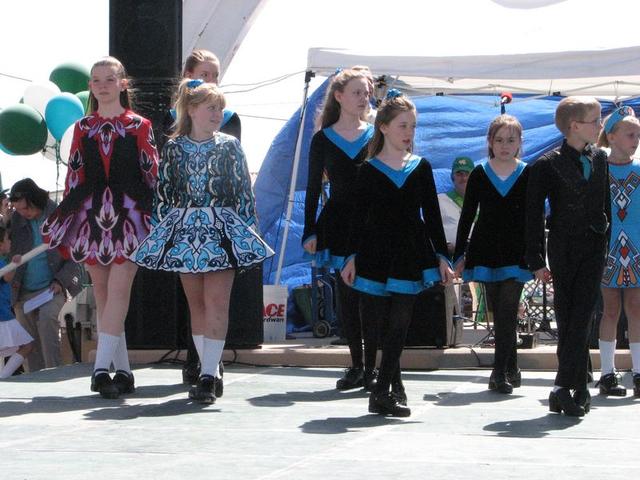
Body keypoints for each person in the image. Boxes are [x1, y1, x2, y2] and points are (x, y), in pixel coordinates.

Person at [134, 79, 272, 404]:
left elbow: (242, 192)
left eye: (220, 108)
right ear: (192, 109)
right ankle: (206, 366)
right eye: (211, 107)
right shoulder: (174, 148)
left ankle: (209, 374)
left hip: (221, 231)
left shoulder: (230, 146)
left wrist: (247, 232)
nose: (217, 113)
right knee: (196, 304)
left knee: (217, 302)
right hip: (185, 233)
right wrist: (162, 235)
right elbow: (164, 195)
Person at [41, 56, 159, 399]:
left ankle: (98, 371)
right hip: (91, 215)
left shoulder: (140, 125)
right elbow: (74, 174)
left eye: (109, 79)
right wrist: (68, 215)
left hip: (130, 215)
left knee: (119, 291)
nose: (102, 84)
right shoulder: (81, 127)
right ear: (91, 86)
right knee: (105, 296)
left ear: (123, 83)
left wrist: (156, 217)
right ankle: (122, 371)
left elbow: (151, 173)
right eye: (96, 79)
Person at [341, 90, 452, 417]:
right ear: (384, 128)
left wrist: (441, 257)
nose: (409, 133)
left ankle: (380, 391)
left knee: (400, 324)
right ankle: (393, 386)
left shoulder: (421, 167)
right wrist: (351, 256)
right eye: (403, 126)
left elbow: (431, 215)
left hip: (409, 253)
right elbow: (357, 220)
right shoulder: (368, 170)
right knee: (377, 324)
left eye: (413, 127)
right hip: (375, 253)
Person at [526, 96, 610, 417]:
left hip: (593, 247)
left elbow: (604, 206)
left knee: (584, 315)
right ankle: (569, 385)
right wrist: (535, 260)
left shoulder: (599, 158)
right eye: (595, 120)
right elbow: (533, 216)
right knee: (568, 314)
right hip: (564, 248)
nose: (599, 126)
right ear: (575, 126)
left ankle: (567, 385)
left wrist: (606, 245)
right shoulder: (547, 164)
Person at [302, 69, 377, 391]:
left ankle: (374, 367)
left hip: (371, 224)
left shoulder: (377, 134)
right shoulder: (323, 139)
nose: (363, 98)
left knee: (371, 297)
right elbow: (312, 188)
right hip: (337, 224)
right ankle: (356, 365)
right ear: (339, 96)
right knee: (347, 299)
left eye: (366, 93)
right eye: (357, 92)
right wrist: (310, 230)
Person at [453, 115, 532, 394]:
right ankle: (511, 365)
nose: (504, 145)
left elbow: (534, 219)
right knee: (498, 311)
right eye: (499, 140)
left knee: (509, 309)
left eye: (511, 140)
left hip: (517, 250)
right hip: (486, 249)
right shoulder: (479, 173)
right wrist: (459, 254)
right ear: (489, 142)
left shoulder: (527, 173)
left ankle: (498, 372)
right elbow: (467, 217)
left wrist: (538, 255)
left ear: (520, 143)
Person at [8, 179, 83, 372]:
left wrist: (61, 280)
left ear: (35, 200)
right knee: (27, 340)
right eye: (19, 209)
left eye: (25, 208)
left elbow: (74, 253)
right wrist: (6, 219)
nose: (23, 213)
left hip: (52, 286)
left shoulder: (58, 214)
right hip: (22, 290)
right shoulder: (15, 219)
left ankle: (54, 373)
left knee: (48, 319)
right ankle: (34, 378)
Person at [597, 106, 640, 397]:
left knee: (636, 309)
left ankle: (638, 373)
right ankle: (607, 374)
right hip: (608, 249)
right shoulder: (598, 170)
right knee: (610, 309)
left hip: (636, 248)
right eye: (630, 134)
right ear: (611, 137)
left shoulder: (639, 171)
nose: (636, 139)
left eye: (638, 134)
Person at [182, 49, 241, 140]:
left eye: (215, 75)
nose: (212, 81)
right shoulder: (173, 117)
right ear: (189, 76)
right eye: (204, 75)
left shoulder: (229, 119)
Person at [0, 226, 35, 378]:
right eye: (7, 239)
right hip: (3, 315)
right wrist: (14, 265)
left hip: (3, 314)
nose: (10, 242)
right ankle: (4, 376)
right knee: (27, 345)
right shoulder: (1, 262)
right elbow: (7, 277)